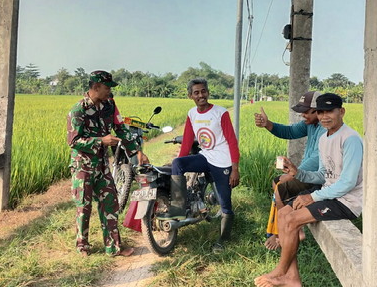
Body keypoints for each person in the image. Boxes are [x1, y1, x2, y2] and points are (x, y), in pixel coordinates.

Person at [254, 93, 363, 287]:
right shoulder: (325, 138)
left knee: (292, 219)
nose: (324, 116)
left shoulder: (351, 139)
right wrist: (299, 173)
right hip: (329, 194)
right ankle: (293, 277)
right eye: (321, 112)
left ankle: (281, 271)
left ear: (342, 111)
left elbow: (347, 182)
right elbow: (322, 175)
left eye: (329, 111)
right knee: (285, 213)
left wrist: (312, 196)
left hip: (346, 201)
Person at [66, 70, 149, 257]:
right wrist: (100, 141)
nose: (110, 92)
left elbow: (120, 129)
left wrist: (136, 151)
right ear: (95, 87)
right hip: (83, 165)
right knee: (83, 205)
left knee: (110, 203)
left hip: (102, 165)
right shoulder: (78, 110)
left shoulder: (109, 105)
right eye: (106, 88)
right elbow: (73, 141)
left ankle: (114, 247)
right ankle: (83, 246)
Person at [159, 78, 240, 251]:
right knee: (178, 163)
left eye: (203, 91)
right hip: (205, 156)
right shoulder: (192, 114)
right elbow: (187, 140)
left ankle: (222, 241)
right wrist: (179, 161)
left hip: (223, 161)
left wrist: (235, 168)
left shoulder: (220, 113)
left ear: (208, 92)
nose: (201, 95)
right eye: (196, 92)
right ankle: (178, 209)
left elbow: (232, 141)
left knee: (226, 204)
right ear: (190, 96)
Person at [254, 91, 326, 250]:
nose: (302, 116)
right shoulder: (311, 124)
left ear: (318, 110)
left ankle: (286, 231)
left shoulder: (324, 129)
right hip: (308, 173)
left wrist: (293, 173)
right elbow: (289, 131)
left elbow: (316, 160)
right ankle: (289, 228)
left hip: (319, 178)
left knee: (281, 186)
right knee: (277, 183)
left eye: (306, 112)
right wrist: (268, 124)